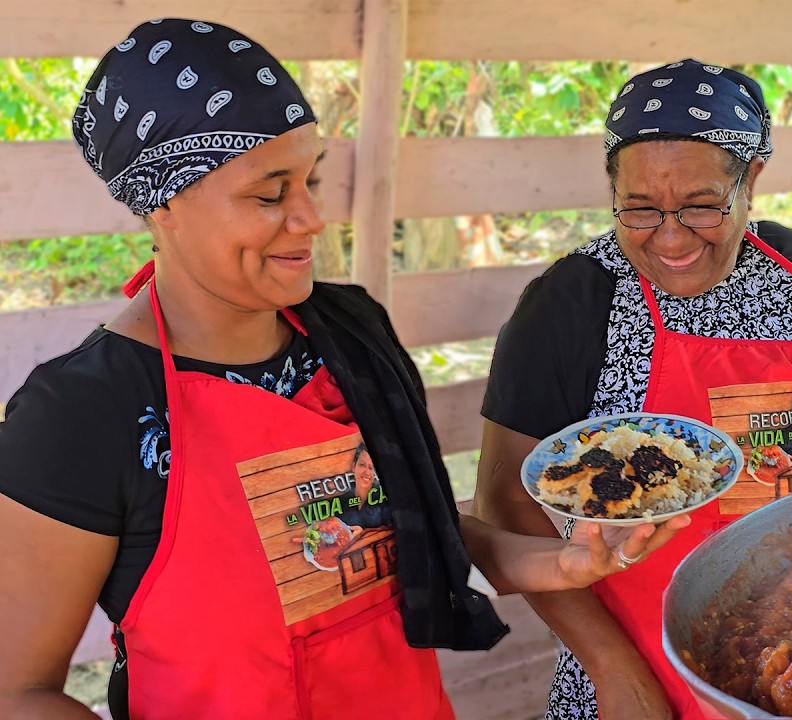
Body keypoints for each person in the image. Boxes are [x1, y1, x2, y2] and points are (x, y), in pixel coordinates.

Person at [0, 20, 686, 720]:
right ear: (165, 202)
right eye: (270, 195)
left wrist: (562, 564)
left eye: (311, 180)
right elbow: (16, 691)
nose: (310, 217)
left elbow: (410, 523)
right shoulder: (81, 416)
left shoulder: (350, 335)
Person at [474, 60, 792, 719]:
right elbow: (506, 501)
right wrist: (615, 673)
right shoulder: (573, 301)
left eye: (703, 205)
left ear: (752, 180)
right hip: (637, 676)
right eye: (641, 208)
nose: (671, 237)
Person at [343, 443, 390, 530]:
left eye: (371, 468)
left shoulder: (382, 495)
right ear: (354, 467)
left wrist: (362, 534)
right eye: (362, 465)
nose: (367, 472)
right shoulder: (342, 501)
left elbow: (391, 530)